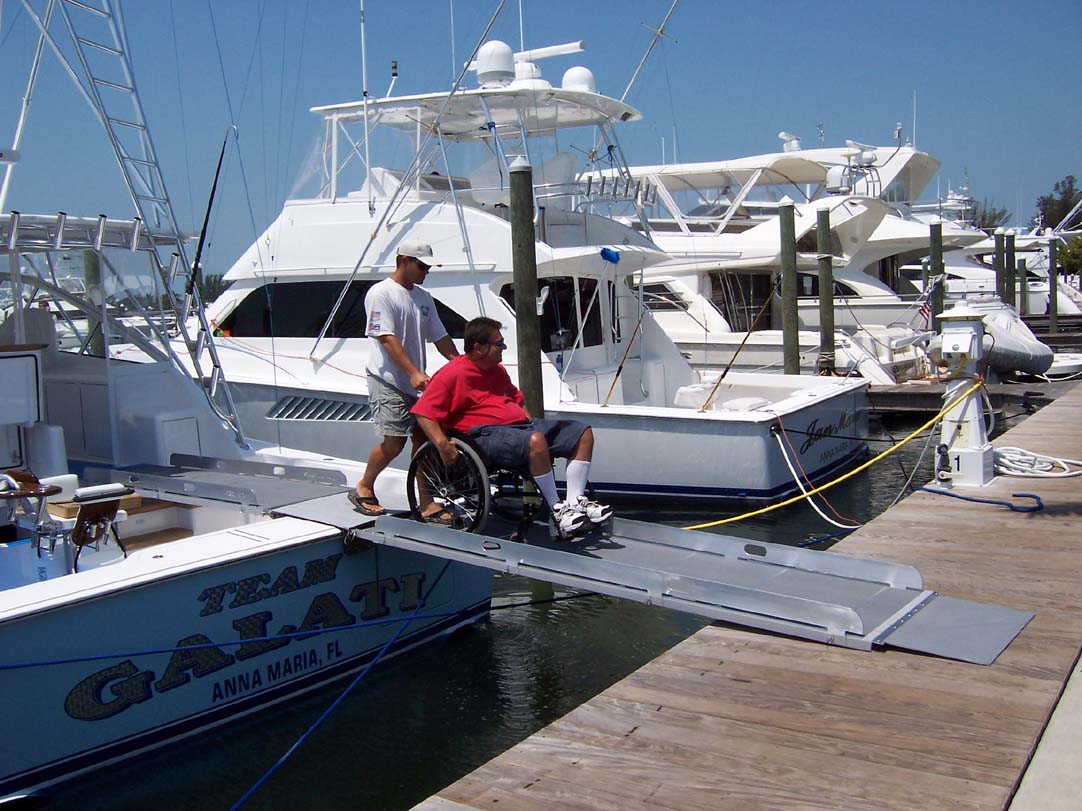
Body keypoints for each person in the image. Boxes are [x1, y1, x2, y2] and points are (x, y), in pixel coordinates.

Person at [411, 316, 613, 539]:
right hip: (483, 434)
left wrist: (527, 421)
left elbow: (518, 399)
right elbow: (423, 412)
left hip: (520, 427)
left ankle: (575, 503)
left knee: (582, 433)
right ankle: (557, 514)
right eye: (498, 344)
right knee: (536, 441)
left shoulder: (497, 370)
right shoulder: (452, 374)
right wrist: (442, 445)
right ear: (478, 348)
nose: (503, 347)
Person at [350, 240, 459, 519]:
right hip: (387, 380)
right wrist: (413, 373)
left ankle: (425, 501)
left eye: (428, 267)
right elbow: (386, 338)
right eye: (422, 266)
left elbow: (440, 337)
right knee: (394, 443)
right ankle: (364, 485)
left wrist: (461, 364)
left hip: (416, 385)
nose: (426, 272)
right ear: (404, 261)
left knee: (424, 442)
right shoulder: (381, 293)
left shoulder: (423, 297)